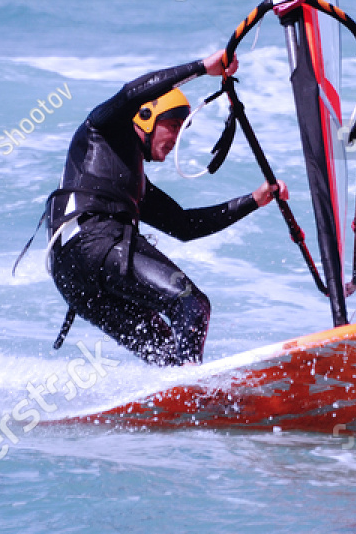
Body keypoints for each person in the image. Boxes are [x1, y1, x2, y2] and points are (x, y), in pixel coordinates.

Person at [42, 51, 289, 366]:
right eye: (172, 125)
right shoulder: (102, 129)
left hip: (74, 278)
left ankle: (178, 404)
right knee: (191, 304)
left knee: (167, 350)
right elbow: (133, 92)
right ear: (144, 117)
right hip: (94, 243)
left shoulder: (129, 181)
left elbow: (185, 225)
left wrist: (254, 199)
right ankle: (194, 392)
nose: (175, 138)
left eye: (180, 130)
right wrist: (201, 68)